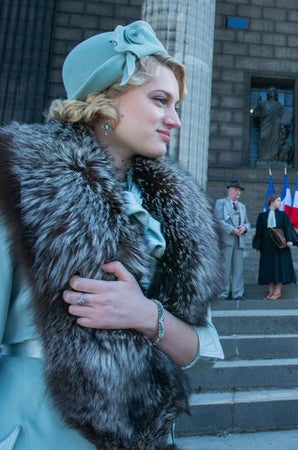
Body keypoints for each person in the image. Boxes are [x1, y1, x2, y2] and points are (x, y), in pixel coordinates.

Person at [0, 21, 225, 449]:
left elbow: (201, 351)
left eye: (176, 105)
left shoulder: (178, 214)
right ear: (104, 100)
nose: (175, 120)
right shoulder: (18, 182)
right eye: (160, 101)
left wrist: (145, 315)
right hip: (33, 427)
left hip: (140, 432)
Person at [252, 194, 298, 300]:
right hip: (267, 247)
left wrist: (290, 240)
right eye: (278, 200)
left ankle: (277, 292)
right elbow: (259, 232)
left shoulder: (283, 215)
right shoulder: (262, 216)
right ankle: (271, 291)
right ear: (272, 202)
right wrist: (258, 247)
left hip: (280, 246)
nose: (280, 202)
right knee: (268, 268)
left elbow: (288, 228)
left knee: (280, 268)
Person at [215, 180, 251, 300]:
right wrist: (231, 229)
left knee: (238, 268)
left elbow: (247, 222)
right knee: (225, 267)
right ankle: (223, 293)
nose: (238, 192)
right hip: (227, 239)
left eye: (239, 191)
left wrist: (244, 228)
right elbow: (218, 220)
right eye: (236, 190)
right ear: (230, 190)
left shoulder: (242, 206)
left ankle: (238, 293)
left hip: (239, 240)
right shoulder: (221, 203)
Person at [253, 87, 284, 161]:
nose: (271, 92)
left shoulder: (279, 105)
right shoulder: (263, 103)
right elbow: (256, 114)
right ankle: (262, 157)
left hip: (276, 126)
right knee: (263, 138)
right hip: (265, 125)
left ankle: (274, 157)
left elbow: (282, 117)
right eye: (269, 91)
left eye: (273, 91)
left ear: (275, 94)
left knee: (275, 141)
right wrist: (257, 106)